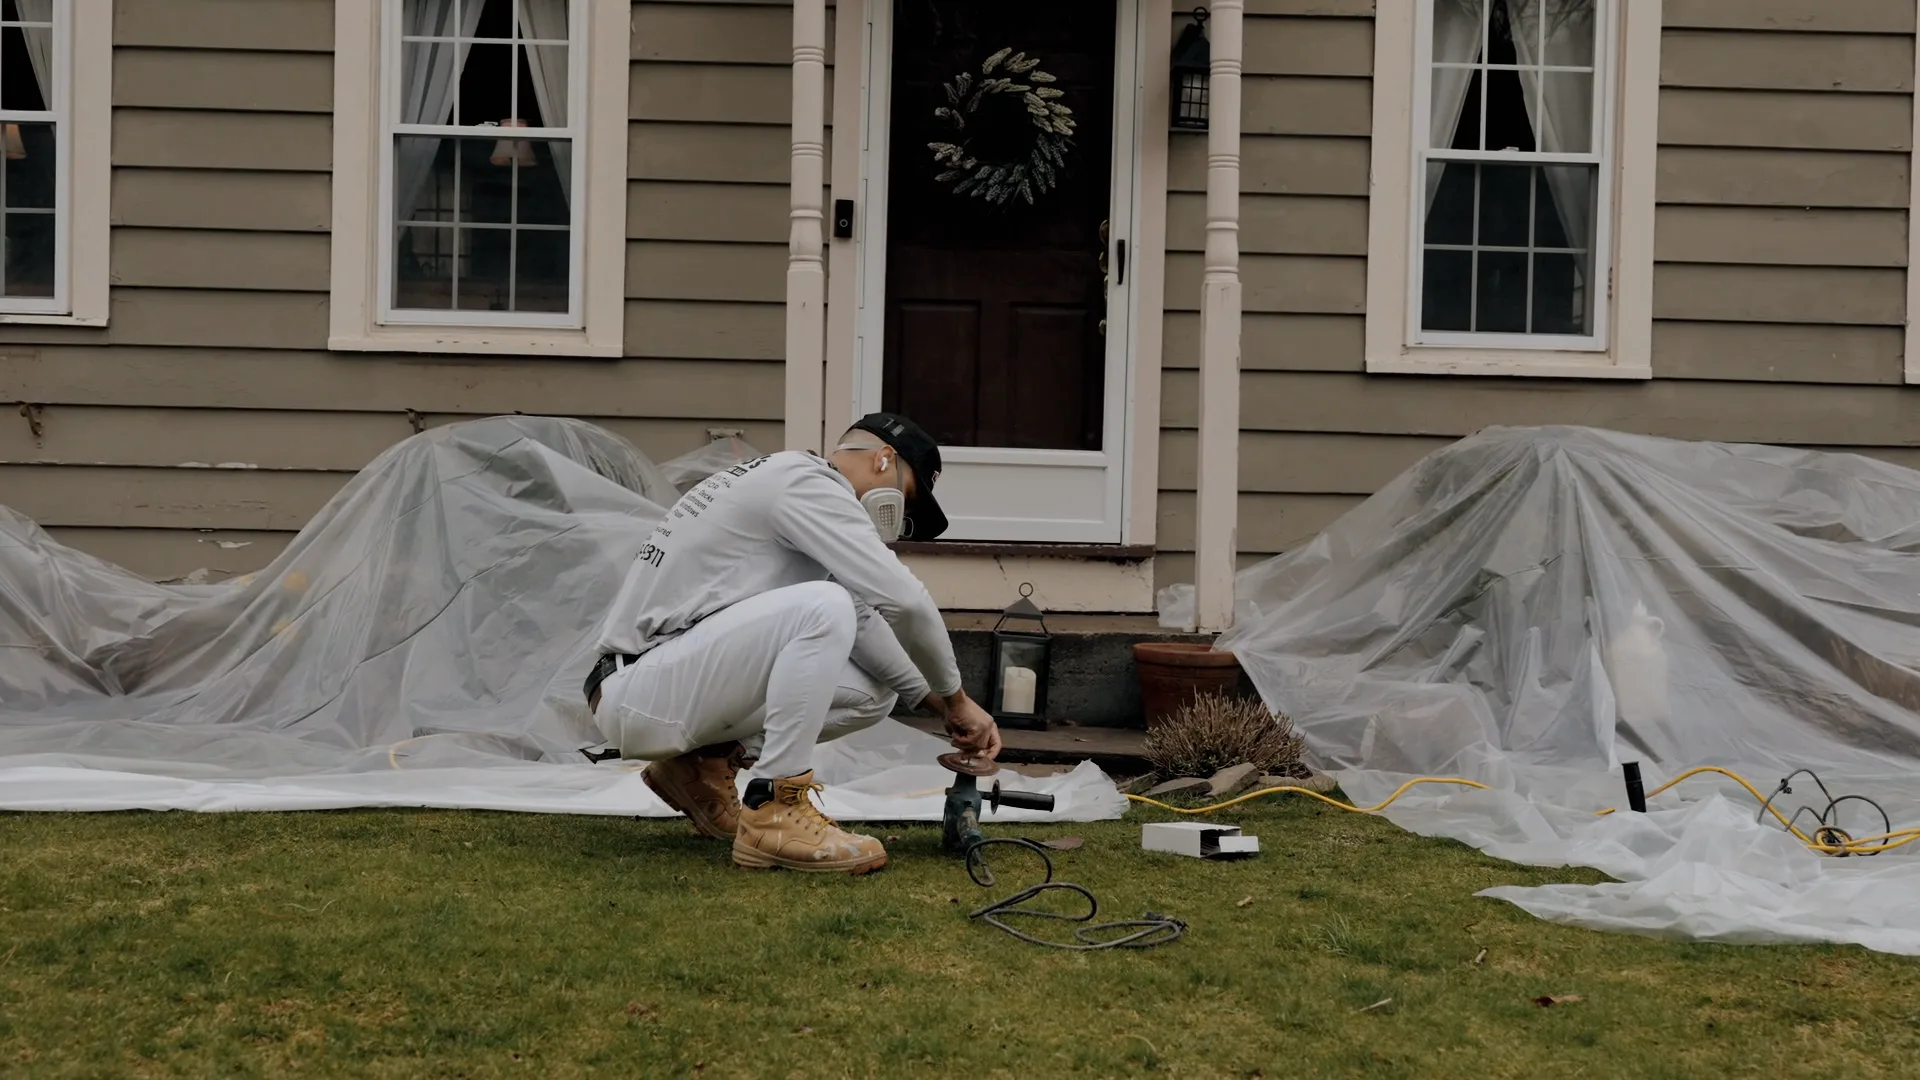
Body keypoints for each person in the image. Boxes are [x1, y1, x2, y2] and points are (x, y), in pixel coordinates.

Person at [583, 412, 1002, 874]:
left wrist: (940, 705)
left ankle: (699, 766)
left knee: (875, 692)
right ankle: (776, 810)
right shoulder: (808, 484)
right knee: (824, 606)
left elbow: (862, 618)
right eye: (908, 496)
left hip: (657, 681)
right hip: (639, 684)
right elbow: (905, 602)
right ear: (884, 459)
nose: (899, 521)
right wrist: (957, 697)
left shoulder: (790, 481)